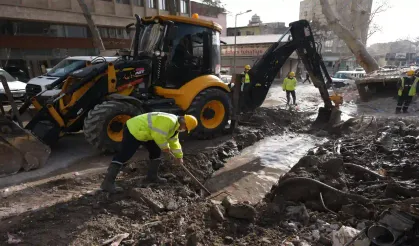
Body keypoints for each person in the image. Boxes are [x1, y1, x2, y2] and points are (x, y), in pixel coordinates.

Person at [100, 112, 198, 193]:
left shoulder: (175, 128)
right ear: (184, 122)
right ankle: (107, 183)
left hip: (147, 133)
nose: (184, 130)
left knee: (155, 152)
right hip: (135, 129)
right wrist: (165, 147)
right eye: (186, 128)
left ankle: (152, 176)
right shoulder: (169, 120)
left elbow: (174, 142)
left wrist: (179, 156)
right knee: (125, 155)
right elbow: (159, 136)